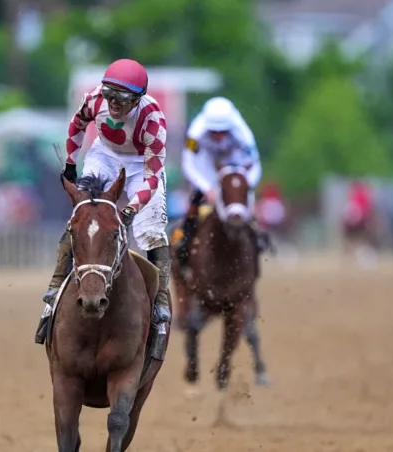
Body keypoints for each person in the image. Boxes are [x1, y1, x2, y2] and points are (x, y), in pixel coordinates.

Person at [33, 58, 172, 360]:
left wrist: (132, 208)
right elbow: (76, 125)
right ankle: (57, 284)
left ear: (137, 98)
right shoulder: (96, 99)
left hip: (141, 167)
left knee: (150, 231)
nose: (114, 103)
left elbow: (151, 177)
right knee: (83, 216)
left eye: (122, 98)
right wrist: (71, 162)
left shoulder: (153, 121)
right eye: (110, 94)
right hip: (104, 156)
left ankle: (160, 300)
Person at [176, 96, 267, 274]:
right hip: (207, 163)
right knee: (196, 200)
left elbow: (255, 165)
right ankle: (184, 242)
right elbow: (188, 164)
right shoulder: (195, 133)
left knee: (242, 198)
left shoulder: (243, 133)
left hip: (234, 162)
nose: (218, 136)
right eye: (213, 131)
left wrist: (245, 184)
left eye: (223, 131)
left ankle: (257, 236)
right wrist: (206, 188)